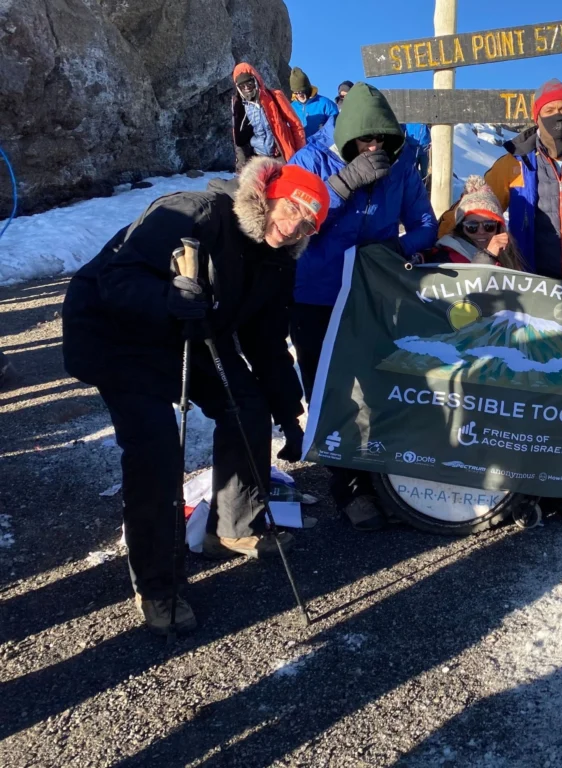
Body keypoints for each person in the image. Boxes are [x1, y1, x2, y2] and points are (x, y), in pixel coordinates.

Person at [61, 158, 330, 635]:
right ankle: (158, 583)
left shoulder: (276, 260)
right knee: (156, 449)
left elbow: (266, 342)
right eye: (291, 211)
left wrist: (288, 410)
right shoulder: (195, 212)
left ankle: (234, 525)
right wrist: (168, 298)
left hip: (193, 331)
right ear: (267, 197)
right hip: (118, 332)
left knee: (246, 405)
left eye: (307, 224)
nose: (293, 228)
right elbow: (117, 277)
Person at [288, 82, 438, 530]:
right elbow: (293, 224)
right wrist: (342, 184)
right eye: (365, 140)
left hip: (372, 294)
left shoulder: (402, 165)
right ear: (347, 134)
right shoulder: (310, 160)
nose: (374, 148)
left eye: (381, 141)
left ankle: (382, 474)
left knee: (378, 383)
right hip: (313, 296)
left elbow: (424, 224)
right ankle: (347, 483)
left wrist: (391, 252)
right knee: (327, 387)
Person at [438, 79, 562, 280]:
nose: (557, 116)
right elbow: (475, 203)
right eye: (549, 110)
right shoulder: (514, 164)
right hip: (533, 278)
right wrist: (437, 243)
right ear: (536, 117)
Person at [428, 176, 526, 270]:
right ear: (461, 227)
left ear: (499, 226)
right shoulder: (444, 257)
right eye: (472, 226)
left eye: (489, 226)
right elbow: (467, 286)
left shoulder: (507, 254)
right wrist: (488, 257)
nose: (481, 231)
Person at [231, 63, 305, 170]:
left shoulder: (275, 96)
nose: (246, 88)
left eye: (249, 83)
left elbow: (296, 125)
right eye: (242, 86)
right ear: (238, 88)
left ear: (255, 80)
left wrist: (299, 156)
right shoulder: (240, 108)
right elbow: (238, 142)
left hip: (281, 157)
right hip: (258, 159)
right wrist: (241, 166)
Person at [289, 66, 339, 137]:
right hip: (300, 147)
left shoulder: (325, 104)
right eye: (296, 93)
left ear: (308, 88)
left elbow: (337, 126)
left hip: (322, 145)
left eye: (302, 92)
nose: (299, 95)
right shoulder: (291, 108)